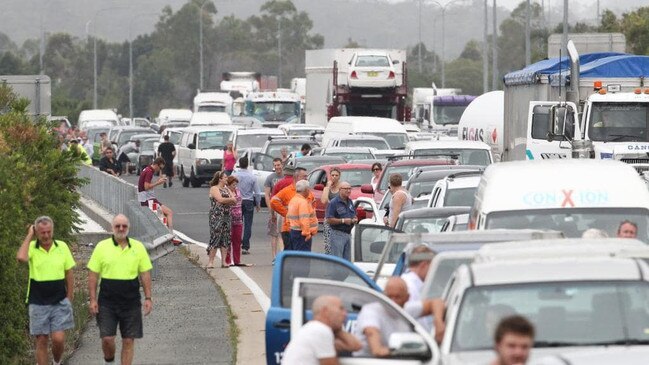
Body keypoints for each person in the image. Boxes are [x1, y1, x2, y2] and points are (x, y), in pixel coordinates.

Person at [87, 214, 153, 365]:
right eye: (118, 226)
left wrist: (148, 298)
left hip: (131, 302)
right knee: (107, 339)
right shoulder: (102, 247)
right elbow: (93, 275)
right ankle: (109, 361)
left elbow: (145, 273)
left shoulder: (138, 247)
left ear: (128, 228)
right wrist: (92, 300)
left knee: (128, 340)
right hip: (107, 303)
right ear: (112, 228)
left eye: (124, 226)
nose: (121, 229)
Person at [16, 216, 75, 365]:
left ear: (52, 231)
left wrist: (69, 296)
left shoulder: (61, 246)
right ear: (37, 232)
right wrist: (29, 235)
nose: (46, 235)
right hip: (38, 301)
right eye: (42, 232)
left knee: (58, 339)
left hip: (59, 300)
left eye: (49, 232)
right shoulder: (32, 248)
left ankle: (56, 361)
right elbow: (21, 258)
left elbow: (69, 273)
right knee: (41, 340)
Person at [354, 277, 445, 357]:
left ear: (407, 298)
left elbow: (436, 302)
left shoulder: (405, 310)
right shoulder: (371, 311)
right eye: (389, 297)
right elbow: (377, 350)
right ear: (383, 295)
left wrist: (438, 322)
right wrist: (413, 351)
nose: (392, 302)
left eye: (397, 297)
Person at [282, 295, 361, 365]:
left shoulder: (315, 328)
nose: (345, 313)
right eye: (341, 309)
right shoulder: (320, 330)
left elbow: (356, 346)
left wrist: (338, 330)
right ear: (325, 311)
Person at [138, 157, 179, 244]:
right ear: (156, 164)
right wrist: (158, 183)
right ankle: (170, 236)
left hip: (148, 198)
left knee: (165, 215)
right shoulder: (149, 171)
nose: (159, 170)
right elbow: (146, 187)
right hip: (148, 199)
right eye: (160, 168)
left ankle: (169, 236)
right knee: (168, 213)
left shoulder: (148, 169)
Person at [271, 167, 313, 250]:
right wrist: (286, 213)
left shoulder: (308, 192)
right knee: (291, 255)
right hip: (289, 229)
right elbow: (273, 201)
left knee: (304, 257)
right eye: (304, 176)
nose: (306, 178)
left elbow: (312, 208)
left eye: (306, 176)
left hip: (305, 230)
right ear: (296, 177)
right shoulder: (287, 191)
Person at [207, 171, 237, 268]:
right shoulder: (214, 188)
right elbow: (220, 199)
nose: (226, 179)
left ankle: (224, 261)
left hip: (226, 215)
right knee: (215, 237)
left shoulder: (227, 189)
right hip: (216, 216)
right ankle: (211, 261)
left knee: (225, 238)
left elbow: (235, 200)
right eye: (225, 177)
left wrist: (229, 200)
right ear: (220, 179)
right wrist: (229, 200)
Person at [401, 245, 434, 330]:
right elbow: (419, 323)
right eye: (432, 266)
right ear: (424, 265)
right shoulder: (410, 287)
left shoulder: (407, 281)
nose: (433, 271)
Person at [234, 157, 261, 255]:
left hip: (237, 201)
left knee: (237, 224)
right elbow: (257, 192)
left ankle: (236, 243)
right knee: (248, 224)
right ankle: (245, 246)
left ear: (239, 164)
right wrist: (257, 203)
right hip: (249, 201)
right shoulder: (252, 177)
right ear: (247, 164)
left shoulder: (235, 176)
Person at [325, 181, 357, 260]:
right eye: (346, 189)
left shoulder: (350, 201)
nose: (348, 190)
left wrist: (355, 219)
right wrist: (343, 221)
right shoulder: (334, 202)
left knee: (347, 261)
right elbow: (329, 219)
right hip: (337, 234)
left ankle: (345, 273)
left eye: (350, 188)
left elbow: (353, 214)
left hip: (348, 234)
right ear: (340, 190)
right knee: (338, 261)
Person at [224, 176, 252, 267]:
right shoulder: (226, 192)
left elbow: (239, 201)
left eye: (236, 184)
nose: (235, 186)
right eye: (233, 185)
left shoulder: (238, 191)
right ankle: (228, 260)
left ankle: (237, 260)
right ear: (228, 185)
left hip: (238, 219)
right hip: (229, 219)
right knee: (228, 240)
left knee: (237, 241)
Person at [287, 180, 318, 251]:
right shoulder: (303, 202)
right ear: (306, 190)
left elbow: (288, 217)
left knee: (296, 256)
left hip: (294, 231)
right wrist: (307, 234)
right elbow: (304, 220)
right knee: (303, 258)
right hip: (301, 234)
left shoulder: (293, 200)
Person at [264, 158, 284, 263]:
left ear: (282, 165)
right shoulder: (270, 178)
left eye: (279, 165)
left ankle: (282, 255)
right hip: (274, 209)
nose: (277, 167)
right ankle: (274, 257)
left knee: (283, 233)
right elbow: (267, 195)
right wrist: (270, 208)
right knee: (274, 234)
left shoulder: (286, 177)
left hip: (284, 208)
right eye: (275, 165)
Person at [321, 167, 342, 255]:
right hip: (329, 218)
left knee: (338, 243)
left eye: (336, 175)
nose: (334, 177)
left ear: (339, 176)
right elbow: (324, 201)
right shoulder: (328, 188)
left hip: (339, 219)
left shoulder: (342, 187)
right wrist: (327, 187)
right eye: (332, 175)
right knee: (328, 243)